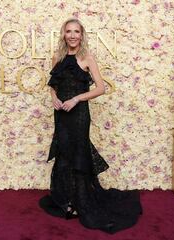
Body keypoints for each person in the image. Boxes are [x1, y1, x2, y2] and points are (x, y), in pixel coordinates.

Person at [39, 17, 143, 234]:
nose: (73, 35)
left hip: (78, 115)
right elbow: (53, 84)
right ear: (64, 34)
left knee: (78, 154)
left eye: (77, 31)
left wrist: (77, 99)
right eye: (69, 31)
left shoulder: (87, 58)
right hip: (60, 114)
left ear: (82, 35)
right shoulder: (56, 57)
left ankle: (82, 201)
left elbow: (101, 88)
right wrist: (53, 98)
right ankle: (66, 199)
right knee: (64, 154)